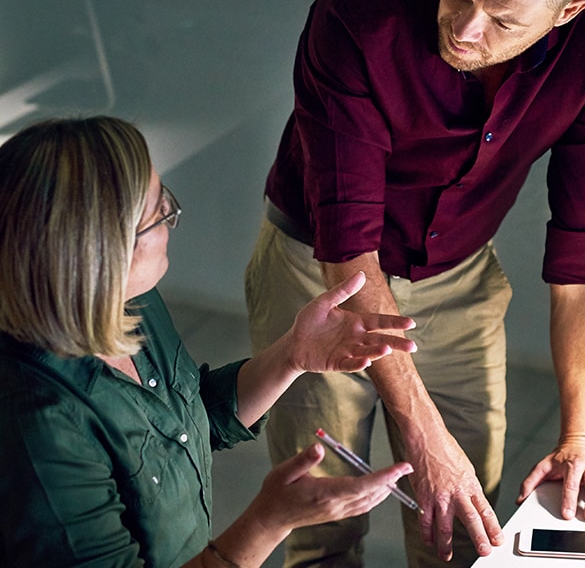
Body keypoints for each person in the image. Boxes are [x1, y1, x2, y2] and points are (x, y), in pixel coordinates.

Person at [244, 0, 585, 566]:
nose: (463, 29)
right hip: (318, 276)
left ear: (567, 12)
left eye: (503, 21)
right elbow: (348, 246)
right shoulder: (359, 9)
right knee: (323, 519)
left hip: (456, 276)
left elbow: (577, 259)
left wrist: (575, 435)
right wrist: (420, 434)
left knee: (462, 520)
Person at [0, 116, 419, 568]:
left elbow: (186, 419)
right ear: (100, 252)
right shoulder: (38, 430)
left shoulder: (128, 301)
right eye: (158, 213)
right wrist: (268, 521)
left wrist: (293, 355)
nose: (172, 219)